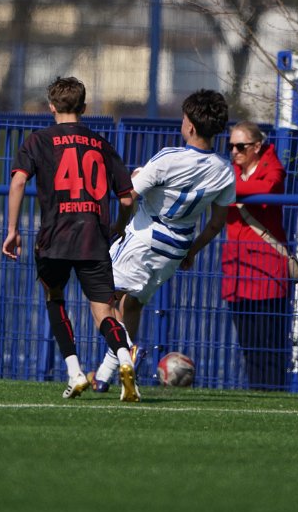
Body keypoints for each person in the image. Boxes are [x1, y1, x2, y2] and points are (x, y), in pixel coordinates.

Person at [1, 76, 139, 402]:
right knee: (104, 311)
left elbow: (18, 182)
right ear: (84, 107)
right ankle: (124, 358)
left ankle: (75, 372)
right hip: (93, 236)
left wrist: (12, 229)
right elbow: (127, 199)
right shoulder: (100, 143)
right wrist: (119, 226)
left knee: (55, 298)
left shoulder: (38, 141)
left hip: (55, 237)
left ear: (51, 107)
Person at [89, 89, 236, 393]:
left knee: (101, 297)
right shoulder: (225, 170)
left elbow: (128, 196)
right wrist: (192, 251)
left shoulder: (169, 157)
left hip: (145, 236)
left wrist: (118, 225)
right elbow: (216, 223)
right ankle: (105, 376)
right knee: (133, 303)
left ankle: (127, 351)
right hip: (176, 248)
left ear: (190, 126)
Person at [221, 121, 293, 391]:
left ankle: (274, 395)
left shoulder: (272, 167)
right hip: (237, 272)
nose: (234, 152)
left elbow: (269, 187)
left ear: (257, 147)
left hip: (266, 272)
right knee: (249, 344)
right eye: (231, 146)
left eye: (240, 146)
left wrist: (228, 188)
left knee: (269, 343)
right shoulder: (230, 172)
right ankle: (257, 393)